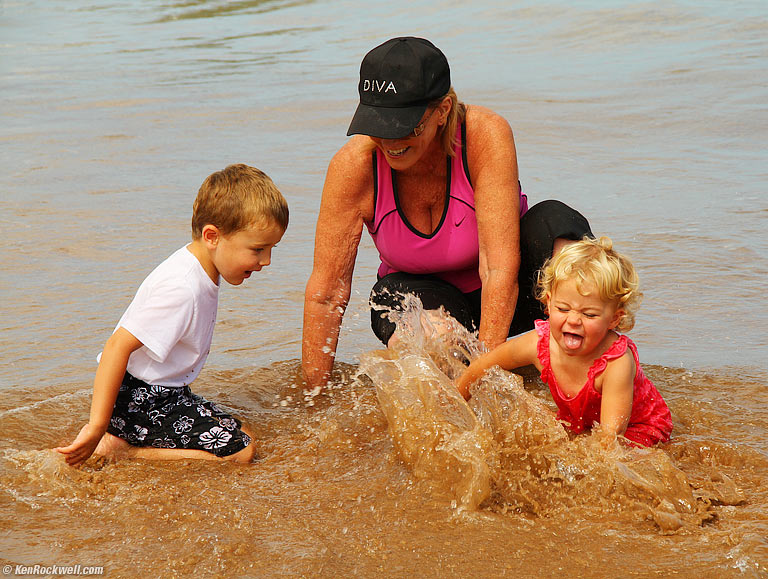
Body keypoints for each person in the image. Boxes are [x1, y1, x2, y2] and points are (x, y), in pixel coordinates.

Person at [302, 36, 592, 390]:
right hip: (428, 298)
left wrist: (486, 375)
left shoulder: (484, 134)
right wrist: (313, 395)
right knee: (400, 305)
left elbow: (497, 267)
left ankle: (597, 369)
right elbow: (328, 291)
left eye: (405, 127)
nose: (390, 141)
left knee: (556, 224)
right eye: (379, 125)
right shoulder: (354, 165)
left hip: (509, 296)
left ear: (442, 110)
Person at [56, 164, 289, 466]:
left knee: (242, 431)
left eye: (272, 248)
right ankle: (122, 449)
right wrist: (97, 424)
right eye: (258, 249)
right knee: (241, 452)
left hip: (163, 393)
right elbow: (117, 346)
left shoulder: (200, 265)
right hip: (140, 399)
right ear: (212, 236)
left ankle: (121, 436)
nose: (266, 261)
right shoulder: (181, 288)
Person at [455, 236, 673, 447]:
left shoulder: (616, 363)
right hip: (584, 423)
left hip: (639, 428)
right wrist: (455, 401)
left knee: (623, 461)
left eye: (589, 314)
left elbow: (611, 440)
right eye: (563, 309)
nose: (573, 320)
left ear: (614, 319)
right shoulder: (540, 343)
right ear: (549, 303)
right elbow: (484, 364)